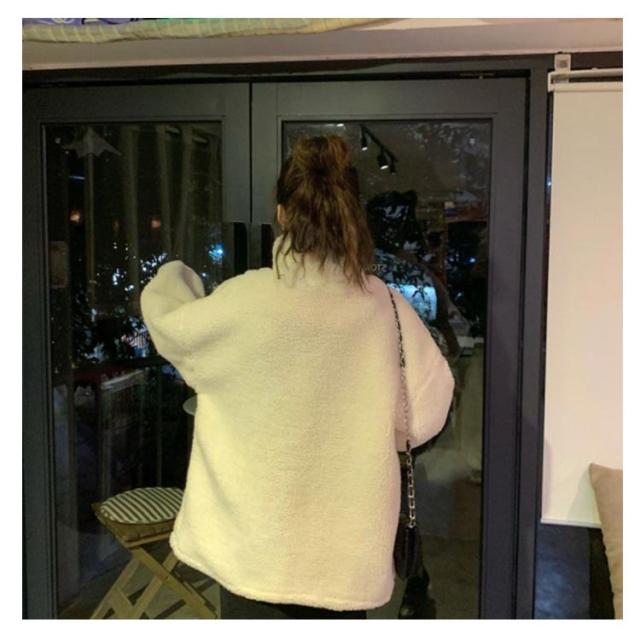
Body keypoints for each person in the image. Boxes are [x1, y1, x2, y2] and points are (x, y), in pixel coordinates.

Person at [140, 134, 455, 619]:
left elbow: (172, 327)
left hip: (250, 552)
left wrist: (173, 277)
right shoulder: (386, 310)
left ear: (282, 214)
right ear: (351, 212)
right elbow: (423, 418)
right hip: (343, 561)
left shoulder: (242, 302)